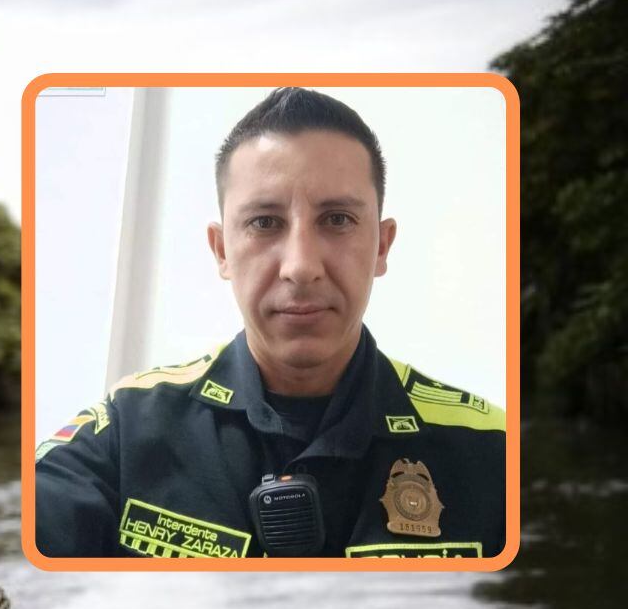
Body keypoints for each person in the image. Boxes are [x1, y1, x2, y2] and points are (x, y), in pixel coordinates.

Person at [34, 87, 506, 560]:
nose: (300, 267)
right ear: (222, 251)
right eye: (264, 223)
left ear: (382, 246)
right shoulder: (129, 427)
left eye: (337, 219)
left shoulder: (492, 452)